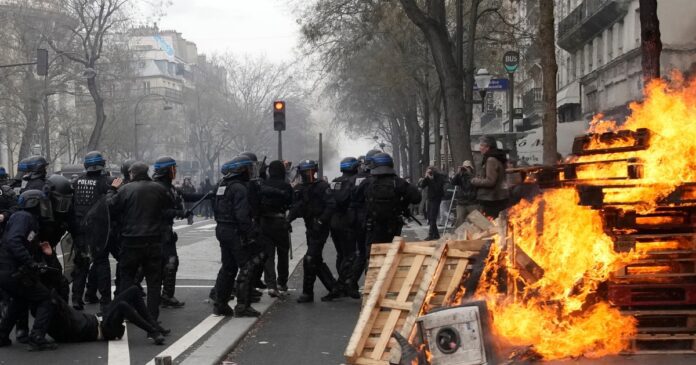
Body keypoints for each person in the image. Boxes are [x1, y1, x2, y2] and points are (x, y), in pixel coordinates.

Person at [107, 162, 172, 321]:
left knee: (127, 280)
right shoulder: (159, 189)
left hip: (131, 241)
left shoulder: (125, 189)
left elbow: (110, 206)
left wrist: (112, 190)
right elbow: (168, 207)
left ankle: (124, 315)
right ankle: (152, 321)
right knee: (154, 283)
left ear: (132, 174)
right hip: (154, 240)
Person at [0, 190, 56, 351]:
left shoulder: (27, 218)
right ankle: (37, 337)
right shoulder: (24, 217)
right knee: (46, 298)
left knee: (20, 300)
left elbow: (22, 242)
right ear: (34, 204)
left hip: (7, 270)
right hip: (11, 270)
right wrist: (31, 262)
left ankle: (2, 335)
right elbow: (13, 242)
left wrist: (39, 251)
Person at [211, 155, 266, 317]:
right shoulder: (240, 188)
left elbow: (215, 209)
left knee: (228, 267)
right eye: (248, 168)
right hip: (236, 232)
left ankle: (220, 303)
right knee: (247, 266)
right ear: (241, 170)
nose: (250, 172)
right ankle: (243, 305)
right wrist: (250, 234)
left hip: (222, 229)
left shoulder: (223, 185)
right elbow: (242, 215)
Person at [152, 156, 203, 308]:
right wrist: (179, 213)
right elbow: (159, 212)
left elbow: (187, 196)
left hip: (165, 232)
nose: (174, 172)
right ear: (166, 171)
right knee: (164, 264)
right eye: (173, 169)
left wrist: (209, 195)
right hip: (157, 231)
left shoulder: (170, 187)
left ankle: (166, 295)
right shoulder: (157, 188)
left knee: (169, 263)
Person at [46, 285, 167, 345]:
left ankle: (154, 325)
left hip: (100, 317)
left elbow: (57, 294)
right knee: (122, 306)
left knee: (134, 290)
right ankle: (153, 331)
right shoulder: (63, 325)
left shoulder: (60, 315)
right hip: (105, 329)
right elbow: (58, 302)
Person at [287, 160, 337, 303]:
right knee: (316, 260)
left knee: (310, 259)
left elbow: (331, 205)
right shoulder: (300, 188)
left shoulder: (322, 186)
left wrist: (321, 221)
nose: (305, 175)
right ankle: (333, 287)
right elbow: (297, 207)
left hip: (320, 227)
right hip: (310, 227)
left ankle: (308, 293)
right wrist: (288, 220)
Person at [71, 151, 114, 311]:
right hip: (99, 229)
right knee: (102, 263)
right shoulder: (108, 182)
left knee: (81, 263)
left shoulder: (76, 182)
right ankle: (105, 301)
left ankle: (76, 299)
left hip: (80, 228)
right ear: (102, 164)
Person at [360, 152, 421, 254]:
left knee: (372, 257)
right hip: (392, 226)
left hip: (372, 226)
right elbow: (416, 198)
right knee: (392, 254)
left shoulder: (367, 183)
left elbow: (355, 199)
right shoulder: (398, 182)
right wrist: (403, 203)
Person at [323, 157, 360, 301]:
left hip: (334, 222)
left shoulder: (334, 182)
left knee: (340, 254)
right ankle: (345, 284)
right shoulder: (355, 182)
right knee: (351, 255)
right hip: (348, 222)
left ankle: (343, 284)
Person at [347, 150, 380, 297]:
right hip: (370, 219)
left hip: (356, 220)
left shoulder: (356, 179)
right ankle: (370, 284)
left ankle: (351, 281)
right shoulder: (373, 180)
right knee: (371, 253)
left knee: (361, 253)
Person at [257, 160, 293, 297]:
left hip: (265, 221)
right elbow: (291, 202)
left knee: (268, 255)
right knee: (283, 254)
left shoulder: (263, 184)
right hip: (280, 221)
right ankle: (281, 283)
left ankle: (271, 284)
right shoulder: (285, 186)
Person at [471, 136, 510, 218]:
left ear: (488, 147)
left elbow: (490, 181)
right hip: (498, 197)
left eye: (482, 146)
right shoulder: (497, 158)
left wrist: (474, 181)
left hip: (491, 199)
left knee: (490, 227)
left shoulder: (491, 160)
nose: (480, 148)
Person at [418, 166, 446, 240]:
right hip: (430, 198)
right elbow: (422, 186)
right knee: (430, 217)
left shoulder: (439, 177)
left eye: (431, 172)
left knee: (432, 217)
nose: (430, 173)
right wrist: (425, 178)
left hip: (437, 198)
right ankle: (436, 234)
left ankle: (431, 235)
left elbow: (437, 188)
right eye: (428, 172)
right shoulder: (428, 177)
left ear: (434, 171)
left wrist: (432, 180)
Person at [450, 161, 478, 228]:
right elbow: (452, 182)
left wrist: (468, 173)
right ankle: (459, 236)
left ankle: (475, 236)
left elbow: (473, 184)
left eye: (468, 167)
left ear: (471, 168)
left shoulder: (473, 176)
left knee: (474, 221)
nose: (465, 169)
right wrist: (458, 173)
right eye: (464, 167)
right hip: (461, 203)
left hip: (472, 202)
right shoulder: (460, 177)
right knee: (459, 220)